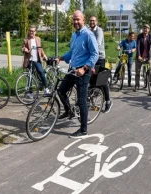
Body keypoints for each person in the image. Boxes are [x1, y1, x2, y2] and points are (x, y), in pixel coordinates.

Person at [55, 10, 99, 138]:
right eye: (74, 19)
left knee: (81, 100)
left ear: (83, 20)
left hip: (83, 71)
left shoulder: (88, 35)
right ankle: (69, 111)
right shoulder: (74, 35)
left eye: (78, 19)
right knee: (61, 90)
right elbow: (72, 53)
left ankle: (83, 129)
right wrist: (60, 58)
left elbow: (95, 54)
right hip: (73, 69)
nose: (75, 22)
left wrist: (85, 68)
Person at [89, 15, 113, 113]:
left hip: (100, 58)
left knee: (102, 81)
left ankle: (108, 101)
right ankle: (93, 99)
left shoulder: (99, 31)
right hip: (91, 58)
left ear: (97, 22)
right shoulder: (88, 31)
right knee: (91, 80)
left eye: (93, 21)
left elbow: (97, 44)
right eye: (90, 21)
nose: (92, 22)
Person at [21, 25, 49, 94]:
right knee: (30, 75)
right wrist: (25, 49)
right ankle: (30, 92)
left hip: (37, 60)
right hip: (29, 60)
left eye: (33, 31)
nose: (31, 32)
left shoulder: (38, 39)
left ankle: (46, 88)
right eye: (30, 31)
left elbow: (40, 48)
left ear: (35, 32)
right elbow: (22, 48)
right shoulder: (26, 40)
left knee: (41, 72)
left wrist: (44, 55)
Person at [134, 24, 151, 92]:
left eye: (147, 28)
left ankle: (150, 82)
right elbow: (137, 46)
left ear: (149, 30)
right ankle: (137, 85)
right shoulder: (139, 36)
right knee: (137, 72)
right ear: (143, 29)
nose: (145, 29)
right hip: (140, 56)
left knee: (149, 70)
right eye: (144, 28)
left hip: (147, 56)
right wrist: (138, 55)